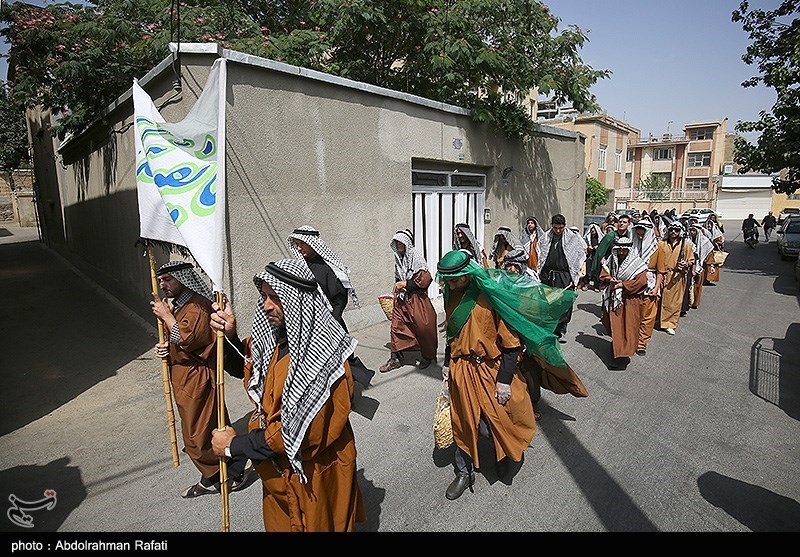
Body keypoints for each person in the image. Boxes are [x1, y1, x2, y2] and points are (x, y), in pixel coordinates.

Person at [209, 259, 366, 532]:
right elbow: (246, 366)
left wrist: (234, 446)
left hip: (314, 478)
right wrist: (231, 336)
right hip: (280, 475)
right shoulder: (277, 336)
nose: (267, 305)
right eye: (265, 297)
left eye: (276, 298)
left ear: (298, 303)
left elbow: (292, 435)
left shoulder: (320, 358)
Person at [435, 250, 584, 500]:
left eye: (456, 279)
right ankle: (463, 471)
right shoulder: (451, 294)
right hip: (462, 370)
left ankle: (504, 453)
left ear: (468, 274)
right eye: (448, 279)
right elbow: (452, 335)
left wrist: (504, 381)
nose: (451, 283)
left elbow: (512, 345)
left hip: (489, 370)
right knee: (461, 421)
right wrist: (449, 363)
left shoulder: (491, 296)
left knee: (493, 423)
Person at [151, 261, 255, 498]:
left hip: (197, 377)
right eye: (161, 279)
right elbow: (179, 341)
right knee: (201, 430)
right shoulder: (182, 305)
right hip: (183, 376)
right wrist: (165, 348)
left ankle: (231, 471)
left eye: (168, 279)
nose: (163, 284)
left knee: (198, 435)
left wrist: (167, 316)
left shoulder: (196, 306)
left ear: (183, 279)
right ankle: (213, 475)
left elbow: (188, 339)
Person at [287, 225, 374, 388]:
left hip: (331, 324)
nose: (299, 248)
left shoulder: (327, 268)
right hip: (311, 325)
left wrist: (331, 324)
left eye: (302, 244)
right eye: (296, 244)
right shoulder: (302, 266)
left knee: (340, 362)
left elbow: (340, 299)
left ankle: (347, 394)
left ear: (311, 243)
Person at [379, 229, 438, 373]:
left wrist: (406, 284)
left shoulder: (415, 256)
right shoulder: (399, 258)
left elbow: (425, 279)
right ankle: (396, 358)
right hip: (402, 300)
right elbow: (398, 277)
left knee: (424, 327)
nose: (398, 244)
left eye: (401, 242)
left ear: (407, 243)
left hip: (417, 299)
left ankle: (427, 356)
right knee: (396, 327)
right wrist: (398, 288)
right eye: (396, 242)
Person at [598, 237, 649, 369]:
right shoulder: (611, 260)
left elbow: (641, 282)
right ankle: (617, 350)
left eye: (624, 249)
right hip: (615, 298)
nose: (621, 251)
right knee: (616, 326)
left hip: (630, 300)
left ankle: (621, 358)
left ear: (629, 249)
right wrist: (610, 279)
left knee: (628, 327)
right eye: (619, 248)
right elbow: (604, 274)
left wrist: (622, 285)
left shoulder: (637, 264)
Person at [537, 214, 586, 343]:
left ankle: (561, 330)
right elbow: (540, 254)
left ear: (564, 226)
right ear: (552, 226)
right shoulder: (546, 237)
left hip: (564, 277)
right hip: (548, 276)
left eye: (560, 228)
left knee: (564, 305)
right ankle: (549, 330)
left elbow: (578, 258)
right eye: (555, 228)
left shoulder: (572, 239)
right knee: (548, 305)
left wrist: (574, 277)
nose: (558, 231)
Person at [632, 219, 666, 356]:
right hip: (633, 286)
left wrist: (656, 288)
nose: (640, 237)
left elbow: (661, 271)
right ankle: (631, 341)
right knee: (633, 316)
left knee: (647, 317)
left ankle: (641, 344)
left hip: (649, 286)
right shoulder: (631, 246)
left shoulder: (658, 248)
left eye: (642, 235)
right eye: (638, 234)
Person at [657, 222, 695, 335]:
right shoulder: (661, 243)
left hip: (677, 277)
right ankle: (659, 320)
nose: (674, 232)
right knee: (659, 299)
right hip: (663, 275)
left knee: (674, 301)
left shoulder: (685, 245)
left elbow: (691, 260)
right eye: (672, 230)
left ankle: (670, 323)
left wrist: (686, 264)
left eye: (676, 230)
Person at [688, 224, 715, 309]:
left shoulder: (705, 242)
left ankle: (695, 302)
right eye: (691, 230)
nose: (692, 232)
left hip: (700, 268)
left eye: (694, 231)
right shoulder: (688, 241)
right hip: (689, 266)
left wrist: (711, 266)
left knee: (697, 285)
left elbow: (709, 255)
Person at [583, 222, 603, 290]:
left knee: (596, 272)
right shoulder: (587, 237)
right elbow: (584, 246)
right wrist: (588, 248)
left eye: (594, 229)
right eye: (591, 229)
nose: (592, 230)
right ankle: (586, 284)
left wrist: (598, 247)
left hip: (597, 257)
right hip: (589, 256)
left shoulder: (600, 238)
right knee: (588, 271)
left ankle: (596, 286)